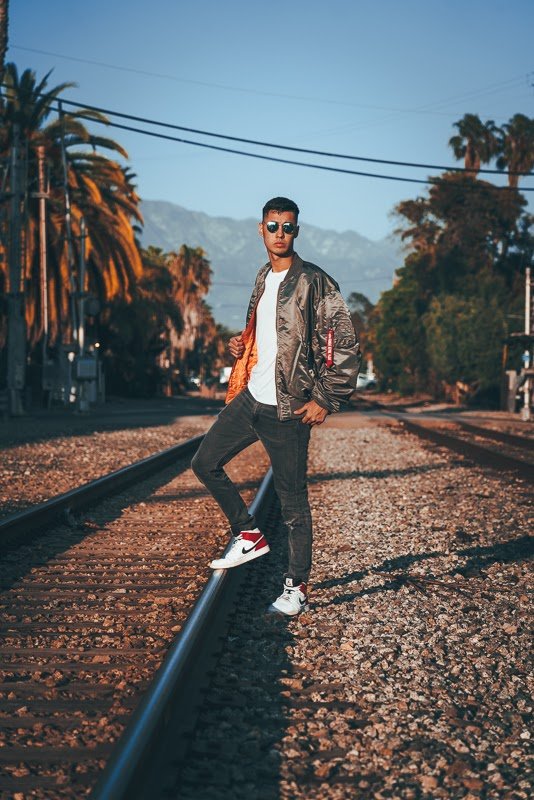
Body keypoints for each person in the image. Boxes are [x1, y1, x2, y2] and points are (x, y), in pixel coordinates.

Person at [191, 197, 361, 616]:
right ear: (261, 229)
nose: (280, 234)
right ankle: (248, 534)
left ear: (297, 232)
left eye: (288, 227)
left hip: (289, 409)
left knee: (292, 503)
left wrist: (326, 398)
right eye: (273, 226)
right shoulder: (263, 277)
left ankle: (296, 588)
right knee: (204, 462)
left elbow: (345, 344)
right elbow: (264, 336)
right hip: (252, 397)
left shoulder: (316, 282)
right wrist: (241, 344)